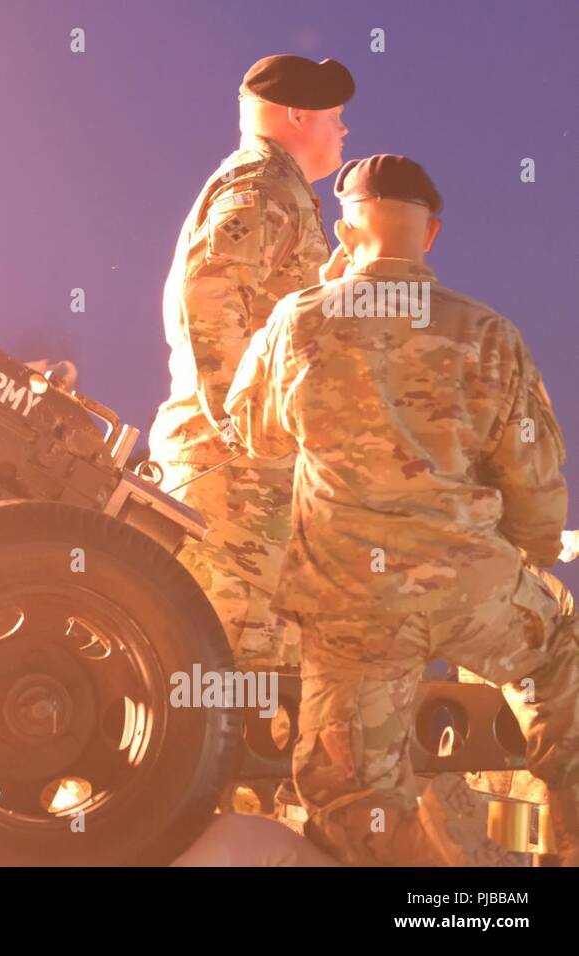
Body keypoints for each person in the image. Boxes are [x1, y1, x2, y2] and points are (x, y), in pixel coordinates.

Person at [224, 153, 578, 866]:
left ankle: (418, 881)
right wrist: (516, 564)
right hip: (471, 585)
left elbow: (252, 434)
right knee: (558, 660)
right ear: (433, 234)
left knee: (351, 789)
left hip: (355, 601)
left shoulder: (300, 323)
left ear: (347, 232)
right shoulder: (488, 334)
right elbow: (537, 495)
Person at [147, 54, 353, 671]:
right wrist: (246, 425)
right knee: (228, 664)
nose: (344, 131)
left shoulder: (279, 189)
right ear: (297, 115)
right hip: (233, 480)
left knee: (265, 667)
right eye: (335, 118)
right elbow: (207, 298)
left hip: (255, 477)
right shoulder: (261, 187)